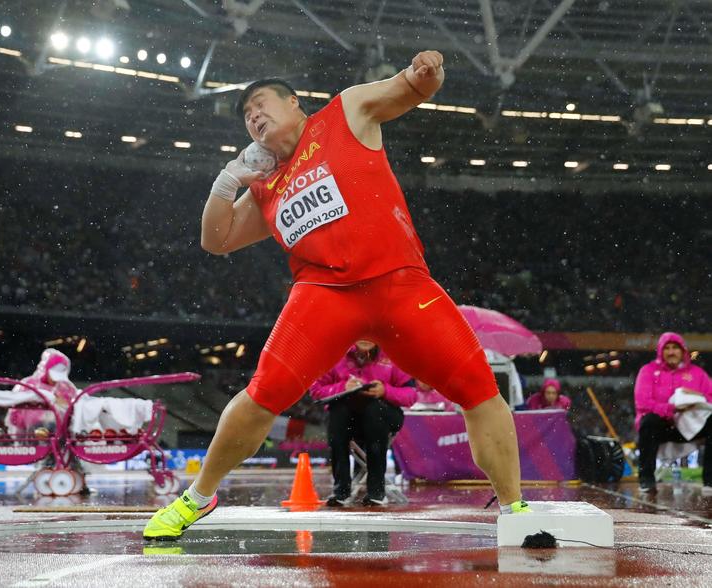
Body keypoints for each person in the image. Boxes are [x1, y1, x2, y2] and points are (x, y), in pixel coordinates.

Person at [144, 50, 527, 541]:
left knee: (480, 391)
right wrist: (227, 182)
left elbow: (410, 89)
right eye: (246, 115)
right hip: (325, 295)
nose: (254, 116)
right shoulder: (265, 185)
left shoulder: (345, 113)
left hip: (401, 284)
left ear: (295, 103)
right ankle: (199, 496)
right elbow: (215, 240)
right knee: (263, 394)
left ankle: (516, 507)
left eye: (261, 103)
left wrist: (424, 72)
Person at [309, 341, 416, 506]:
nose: (366, 338)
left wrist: (385, 391)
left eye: (370, 333)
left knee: (374, 411)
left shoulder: (393, 355)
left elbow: (410, 395)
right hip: (349, 419)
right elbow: (316, 391)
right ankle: (340, 490)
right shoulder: (337, 355)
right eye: (361, 333)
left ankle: (376, 491)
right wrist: (342, 387)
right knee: (338, 413)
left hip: (383, 417)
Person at [634, 332, 712, 494]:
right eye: (667, 348)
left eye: (675, 348)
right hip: (662, 426)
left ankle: (710, 480)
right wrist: (672, 408)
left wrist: (696, 401)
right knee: (648, 421)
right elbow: (643, 402)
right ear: (660, 352)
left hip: (690, 426)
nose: (671, 352)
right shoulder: (648, 371)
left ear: (683, 351)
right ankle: (646, 479)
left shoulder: (697, 373)